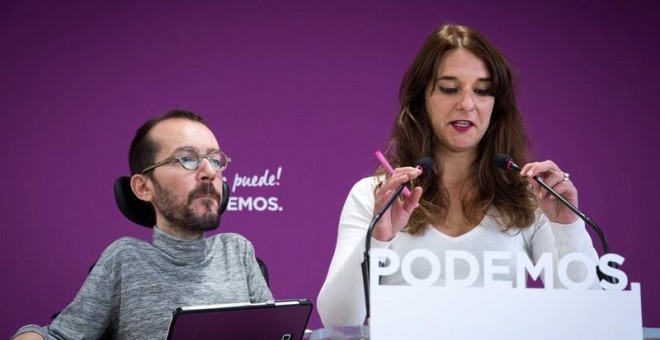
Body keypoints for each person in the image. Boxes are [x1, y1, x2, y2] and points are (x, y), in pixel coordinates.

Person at [317, 23, 599, 326]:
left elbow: (590, 315)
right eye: (449, 89)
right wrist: (378, 238)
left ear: (496, 105)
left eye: (482, 91)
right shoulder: (375, 194)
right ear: (421, 99)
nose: (467, 104)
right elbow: (339, 319)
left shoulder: (531, 198)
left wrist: (566, 226)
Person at [13, 109, 273, 339]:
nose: (210, 172)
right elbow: (58, 336)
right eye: (187, 159)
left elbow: (276, 333)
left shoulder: (238, 252)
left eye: (215, 160)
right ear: (143, 187)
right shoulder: (125, 258)